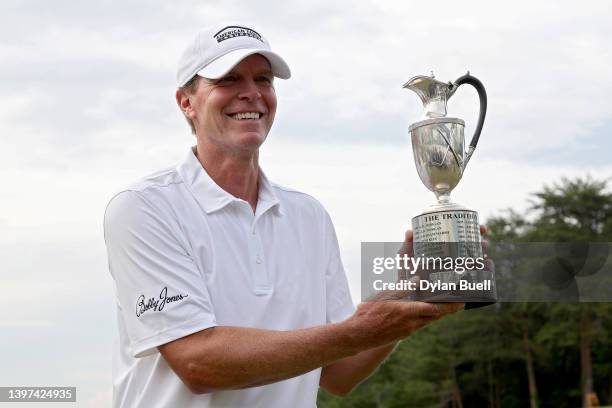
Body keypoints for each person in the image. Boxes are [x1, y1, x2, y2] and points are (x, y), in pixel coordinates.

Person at [103, 23, 463, 408]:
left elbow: (338, 373)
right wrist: (362, 329)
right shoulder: (144, 207)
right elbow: (198, 362)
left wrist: (410, 296)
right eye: (227, 79)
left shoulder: (309, 216)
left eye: (263, 79)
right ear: (186, 102)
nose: (252, 93)